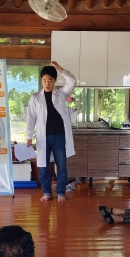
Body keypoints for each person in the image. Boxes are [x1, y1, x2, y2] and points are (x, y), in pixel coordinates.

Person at [26, 61, 77, 202]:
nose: (47, 83)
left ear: (55, 81)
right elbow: (31, 118)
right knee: (43, 166)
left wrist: (59, 68)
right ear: (41, 81)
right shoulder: (35, 98)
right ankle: (47, 192)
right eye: (44, 80)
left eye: (50, 80)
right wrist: (29, 136)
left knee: (61, 166)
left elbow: (72, 81)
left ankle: (60, 192)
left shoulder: (61, 93)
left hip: (60, 136)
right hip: (43, 138)